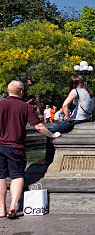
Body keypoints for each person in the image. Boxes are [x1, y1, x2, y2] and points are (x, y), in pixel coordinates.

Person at [1, 81, 61, 218]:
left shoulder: (0, 104)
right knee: (17, 175)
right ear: (21, 92)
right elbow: (38, 127)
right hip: (15, 146)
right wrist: (52, 135)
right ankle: (14, 206)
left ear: (7, 90)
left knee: (0, 176)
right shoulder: (25, 107)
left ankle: (1, 209)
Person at [39, 75, 95, 165]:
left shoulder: (75, 90)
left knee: (50, 132)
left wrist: (68, 117)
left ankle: (47, 159)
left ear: (73, 83)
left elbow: (65, 105)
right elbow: (93, 104)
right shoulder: (89, 91)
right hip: (86, 118)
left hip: (77, 119)